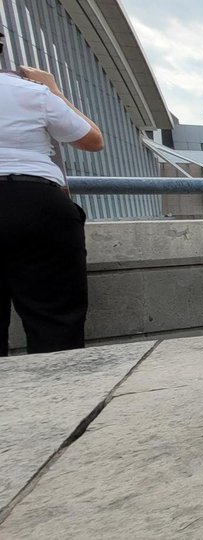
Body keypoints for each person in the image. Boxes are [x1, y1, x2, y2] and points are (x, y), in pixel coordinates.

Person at [1, 38, 105, 356]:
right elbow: (92, 139)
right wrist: (53, 90)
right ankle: (61, 401)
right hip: (36, 203)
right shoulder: (32, 93)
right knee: (56, 324)